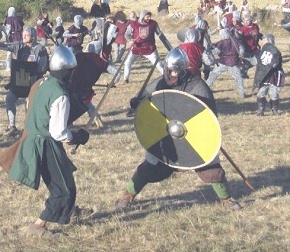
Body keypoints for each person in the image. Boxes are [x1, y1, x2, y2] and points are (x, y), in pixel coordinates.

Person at [116, 47, 242, 211]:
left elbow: (208, 117)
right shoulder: (159, 82)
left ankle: (226, 199)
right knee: (151, 166)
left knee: (211, 168)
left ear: (184, 71)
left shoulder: (198, 86)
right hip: (164, 133)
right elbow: (146, 101)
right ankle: (128, 195)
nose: (173, 75)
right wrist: (138, 103)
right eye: (171, 71)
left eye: (177, 71)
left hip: (192, 134)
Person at [0, 45, 90, 238]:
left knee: (60, 180)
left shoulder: (42, 83)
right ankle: (38, 226)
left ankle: (70, 211)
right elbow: (58, 132)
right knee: (65, 189)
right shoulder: (61, 95)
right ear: (68, 71)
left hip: (34, 139)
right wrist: (77, 137)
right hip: (45, 145)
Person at [0, 27, 49, 136]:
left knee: (29, 104)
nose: (24, 36)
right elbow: (6, 46)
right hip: (19, 81)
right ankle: (12, 126)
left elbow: (42, 68)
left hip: (33, 82)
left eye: (26, 35)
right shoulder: (19, 46)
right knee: (9, 99)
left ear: (33, 36)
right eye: (23, 34)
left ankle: (29, 128)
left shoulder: (40, 49)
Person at [69, 51, 120, 126]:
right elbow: (117, 73)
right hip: (78, 86)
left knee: (74, 104)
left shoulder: (79, 57)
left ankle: (69, 124)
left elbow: (117, 73)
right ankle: (97, 119)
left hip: (76, 87)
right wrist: (113, 82)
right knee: (85, 102)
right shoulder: (99, 61)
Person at [122, 10, 172, 85]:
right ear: (143, 16)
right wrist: (129, 40)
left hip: (150, 49)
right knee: (127, 62)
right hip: (137, 48)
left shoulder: (153, 24)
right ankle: (125, 79)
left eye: (150, 16)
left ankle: (168, 79)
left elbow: (160, 35)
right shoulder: (134, 24)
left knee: (159, 65)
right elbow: (127, 34)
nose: (149, 18)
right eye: (147, 17)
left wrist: (170, 48)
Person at [206, 29, 246, 98]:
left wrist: (209, 51)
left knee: (213, 74)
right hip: (234, 62)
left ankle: (205, 88)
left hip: (223, 62)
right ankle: (241, 93)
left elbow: (217, 52)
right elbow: (242, 49)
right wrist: (241, 54)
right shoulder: (236, 41)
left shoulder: (222, 42)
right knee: (239, 78)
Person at [253, 34, 285, 116]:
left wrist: (271, 66)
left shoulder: (275, 51)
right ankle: (261, 110)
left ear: (269, 40)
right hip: (263, 76)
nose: (263, 41)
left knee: (274, 93)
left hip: (273, 75)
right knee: (261, 93)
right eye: (263, 40)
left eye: (265, 40)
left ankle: (274, 110)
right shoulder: (263, 50)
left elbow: (276, 63)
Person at [239, 14, 261, 79]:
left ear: (251, 20)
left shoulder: (255, 26)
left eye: (247, 20)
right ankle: (243, 74)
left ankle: (260, 75)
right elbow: (239, 38)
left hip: (255, 48)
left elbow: (258, 34)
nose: (246, 22)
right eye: (245, 20)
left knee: (259, 62)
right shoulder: (242, 28)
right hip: (247, 49)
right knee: (247, 63)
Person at [3, 6, 24, 71]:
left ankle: (9, 67)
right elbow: (22, 27)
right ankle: (17, 66)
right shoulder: (19, 18)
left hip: (12, 37)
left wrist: (6, 36)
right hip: (18, 37)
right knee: (18, 53)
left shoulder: (8, 19)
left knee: (10, 53)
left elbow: (7, 29)